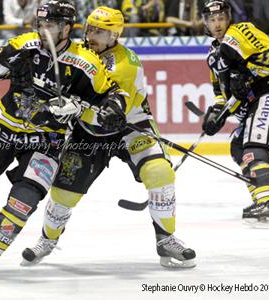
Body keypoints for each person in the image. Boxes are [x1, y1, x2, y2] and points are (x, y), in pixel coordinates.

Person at [0, 0, 128, 278]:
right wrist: (7, 60)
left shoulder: (85, 61)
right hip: (2, 127)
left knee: (25, 198)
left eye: (50, 25)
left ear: (66, 27)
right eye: (40, 24)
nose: (43, 30)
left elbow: (114, 94)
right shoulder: (24, 43)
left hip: (46, 138)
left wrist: (109, 108)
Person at [21, 6, 196, 269]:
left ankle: (166, 239)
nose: (91, 34)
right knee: (63, 192)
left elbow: (111, 113)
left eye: (100, 31)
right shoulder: (76, 54)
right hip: (88, 133)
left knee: (159, 172)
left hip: (130, 126)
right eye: (90, 28)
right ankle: (48, 239)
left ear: (114, 34)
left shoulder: (126, 63)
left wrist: (79, 107)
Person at [200, 0, 269, 226]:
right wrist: (218, 113)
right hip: (253, 101)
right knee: (238, 147)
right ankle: (262, 197)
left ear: (229, 18)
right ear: (205, 23)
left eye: (221, 18)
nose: (217, 24)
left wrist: (246, 73)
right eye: (212, 20)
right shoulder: (213, 53)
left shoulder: (241, 31)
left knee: (254, 146)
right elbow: (220, 90)